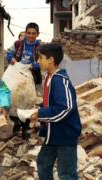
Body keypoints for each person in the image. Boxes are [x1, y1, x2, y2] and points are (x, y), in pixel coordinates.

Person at [30, 43, 82, 180]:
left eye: (40, 57)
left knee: (66, 173)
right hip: (52, 133)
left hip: (65, 134)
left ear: (51, 60)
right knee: (43, 164)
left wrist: (41, 114)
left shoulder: (60, 80)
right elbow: (51, 102)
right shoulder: (49, 77)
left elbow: (66, 107)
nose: (38, 61)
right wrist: (40, 108)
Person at [6, 22, 42, 139]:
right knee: (13, 99)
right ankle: (16, 123)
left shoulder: (39, 47)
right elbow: (9, 53)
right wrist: (10, 58)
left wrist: (35, 66)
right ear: (25, 33)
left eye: (33, 33)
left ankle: (25, 128)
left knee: (29, 101)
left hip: (32, 77)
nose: (31, 35)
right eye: (29, 33)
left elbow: (42, 61)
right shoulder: (18, 44)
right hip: (16, 76)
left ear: (37, 34)